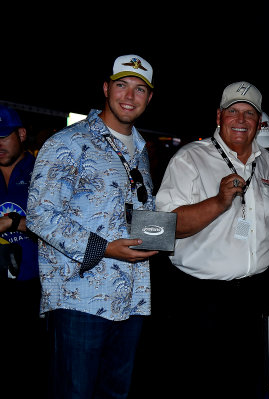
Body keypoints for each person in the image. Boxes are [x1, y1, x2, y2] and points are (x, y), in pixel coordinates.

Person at [155, 81, 269, 397]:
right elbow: (168, 226)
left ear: (259, 123)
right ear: (219, 116)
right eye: (233, 111)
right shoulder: (190, 159)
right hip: (199, 299)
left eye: (249, 113)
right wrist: (219, 201)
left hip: (256, 295)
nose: (241, 120)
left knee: (248, 382)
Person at [26, 54, 157, 399]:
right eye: (122, 85)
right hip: (78, 297)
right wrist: (104, 248)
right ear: (105, 88)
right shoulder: (68, 143)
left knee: (115, 393)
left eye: (140, 89)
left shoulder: (142, 150)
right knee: (75, 393)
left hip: (131, 298)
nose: (129, 96)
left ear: (149, 98)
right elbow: (40, 214)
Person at [0, 105, 45, 397]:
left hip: (33, 284)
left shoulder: (42, 171)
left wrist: (14, 222)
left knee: (30, 366)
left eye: (4, 136)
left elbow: (59, 229)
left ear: (22, 134)